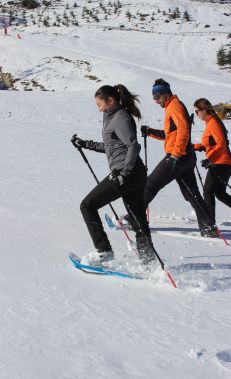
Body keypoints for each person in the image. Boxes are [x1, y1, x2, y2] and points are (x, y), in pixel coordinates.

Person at [71, 84, 156, 266]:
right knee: (139, 220)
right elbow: (112, 147)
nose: (98, 108)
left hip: (127, 173)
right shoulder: (113, 118)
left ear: (110, 101)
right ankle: (148, 262)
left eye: (99, 104)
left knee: (87, 205)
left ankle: (104, 251)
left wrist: (124, 173)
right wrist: (85, 144)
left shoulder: (120, 118)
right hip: (134, 174)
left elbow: (133, 145)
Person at [140, 78, 217, 237]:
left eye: (157, 97)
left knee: (150, 184)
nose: (155, 101)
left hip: (178, 157)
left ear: (165, 94)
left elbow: (183, 131)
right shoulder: (174, 106)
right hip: (186, 156)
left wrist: (175, 154)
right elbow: (171, 134)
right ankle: (208, 228)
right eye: (153, 97)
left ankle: (134, 217)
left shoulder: (174, 106)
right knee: (191, 193)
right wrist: (150, 131)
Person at [193, 98, 231, 224]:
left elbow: (221, 143)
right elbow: (212, 143)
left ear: (204, 110)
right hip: (225, 163)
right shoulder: (212, 122)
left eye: (197, 111)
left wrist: (210, 159)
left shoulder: (213, 123)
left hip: (220, 163)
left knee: (208, 191)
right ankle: (210, 223)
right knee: (219, 192)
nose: (197, 114)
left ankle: (209, 224)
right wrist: (197, 147)